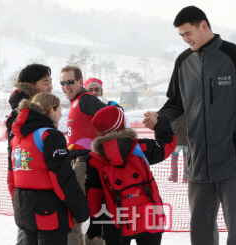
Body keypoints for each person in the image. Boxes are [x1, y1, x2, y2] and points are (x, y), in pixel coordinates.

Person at [142, 6, 236, 245]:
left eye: (188, 33)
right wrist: (159, 117)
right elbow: (176, 102)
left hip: (235, 161)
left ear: (204, 25)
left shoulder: (235, 56)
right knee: (200, 231)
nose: (185, 39)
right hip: (198, 163)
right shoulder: (183, 61)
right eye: (181, 35)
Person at [85, 106, 176, 245]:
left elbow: (93, 195)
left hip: (114, 222)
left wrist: (94, 226)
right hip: (149, 215)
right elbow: (168, 143)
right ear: (122, 124)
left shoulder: (95, 159)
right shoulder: (142, 147)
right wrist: (160, 120)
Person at [8, 92, 90, 245]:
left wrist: (18, 205)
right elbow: (63, 179)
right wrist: (82, 213)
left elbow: (11, 177)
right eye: (59, 109)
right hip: (48, 213)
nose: (60, 115)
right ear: (51, 111)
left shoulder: (16, 138)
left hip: (24, 210)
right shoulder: (50, 135)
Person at [6, 63, 53, 245]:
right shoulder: (25, 113)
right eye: (45, 82)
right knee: (29, 230)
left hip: (24, 174)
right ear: (30, 85)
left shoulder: (30, 108)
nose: (50, 87)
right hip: (24, 176)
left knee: (28, 228)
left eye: (50, 81)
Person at [59, 66, 107, 245]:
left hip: (85, 163)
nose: (66, 86)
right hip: (77, 162)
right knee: (89, 210)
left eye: (70, 82)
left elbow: (108, 115)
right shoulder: (75, 102)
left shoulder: (85, 99)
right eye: (62, 83)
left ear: (80, 82)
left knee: (75, 211)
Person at [168, 114, 187, 183]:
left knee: (174, 159)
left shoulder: (177, 115)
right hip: (187, 141)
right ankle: (186, 178)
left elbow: (174, 127)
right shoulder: (190, 114)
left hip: (178, 142)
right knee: (186, 160)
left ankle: (174, 176)